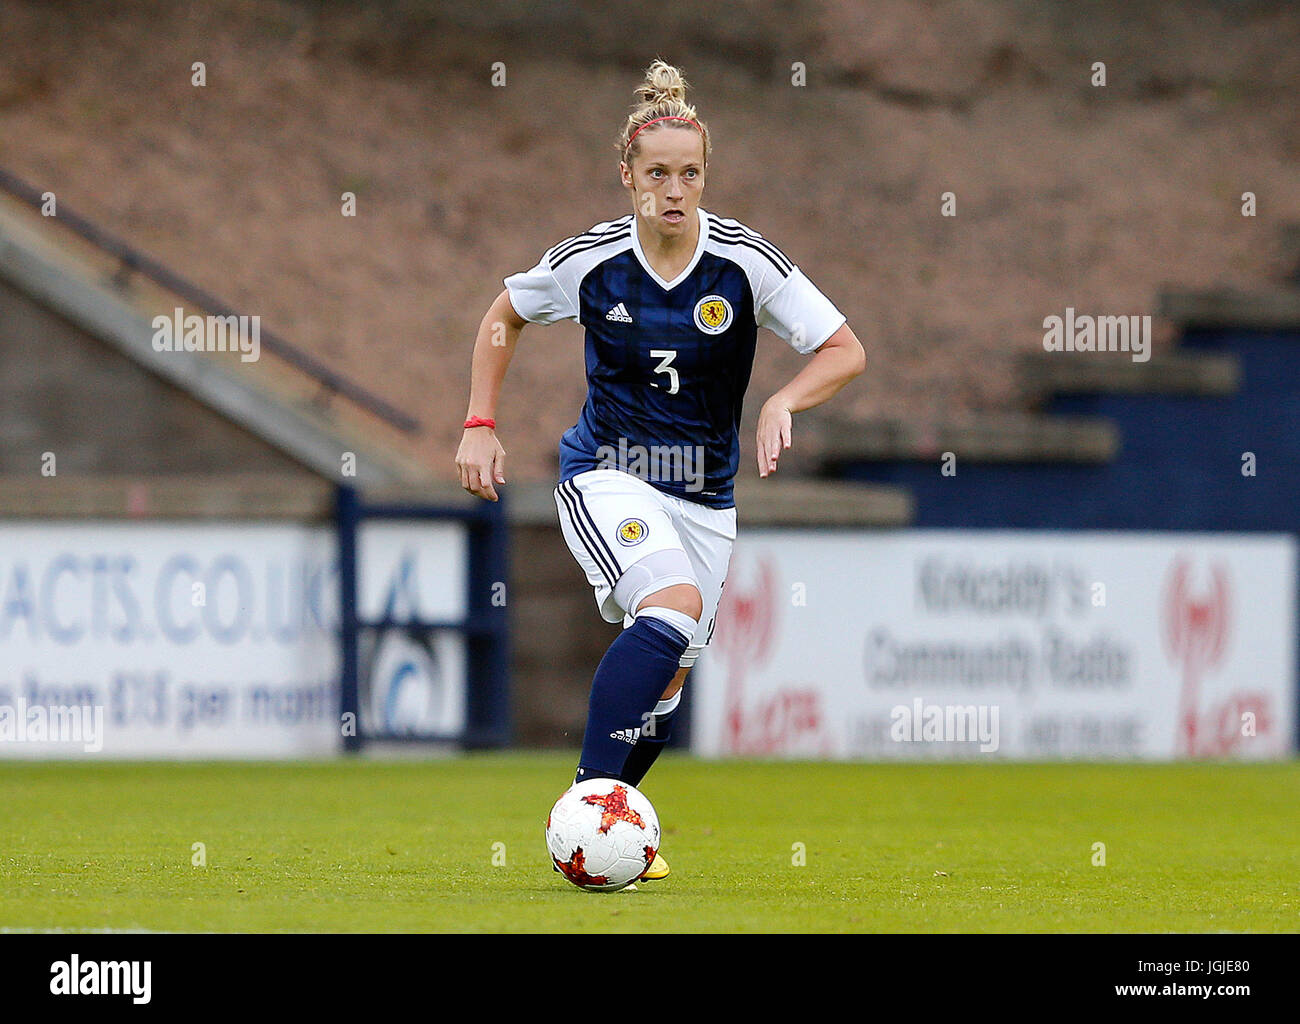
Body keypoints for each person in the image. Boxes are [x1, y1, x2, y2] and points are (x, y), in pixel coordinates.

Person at [455, 59, 865, 885]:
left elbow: (844, 350)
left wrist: (786, 400)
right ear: (627, 178)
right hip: (607, 473)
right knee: (671, 608)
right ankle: (590, 811)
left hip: (707, 499)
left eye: (689, 174)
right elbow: (504, 315)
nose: (673, 191)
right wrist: (479, 422)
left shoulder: (744, 263)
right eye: (656, 175)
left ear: (705, 177)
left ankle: (608, 832)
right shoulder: (590, 261)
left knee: (670, 681)